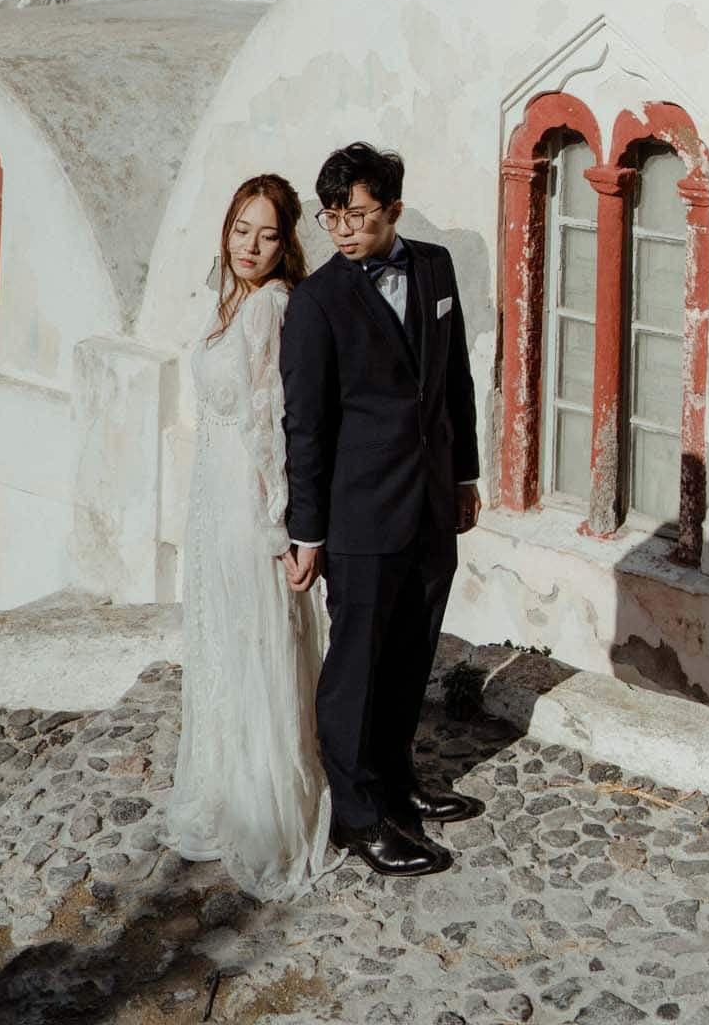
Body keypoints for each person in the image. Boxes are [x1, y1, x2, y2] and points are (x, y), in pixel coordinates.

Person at [279, 141, 483, 877]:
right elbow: (305, 425)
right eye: (332, 217)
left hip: (430, 501)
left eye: (358, 215)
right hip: (359, 514)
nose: (343, 229)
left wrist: (463, 477)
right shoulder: (316, 303)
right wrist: (308, 532)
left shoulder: (433, 267)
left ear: (393, 209)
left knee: (411, 653)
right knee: (357, 667)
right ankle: (358, 817)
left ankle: (398, 783)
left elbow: (454, 377)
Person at [163, 175, 331, 899]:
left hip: (246, 504)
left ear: (285, 242)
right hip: (211, 496)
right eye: (240, 229)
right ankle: (226, 791)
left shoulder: (271, 307)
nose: (250, 246)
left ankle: (267, 812)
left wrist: (283, 527)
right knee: (222, 644)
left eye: (266, 234)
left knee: (256, 643)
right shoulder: (228, 301)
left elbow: (274, 423)